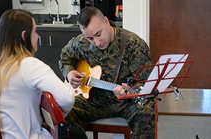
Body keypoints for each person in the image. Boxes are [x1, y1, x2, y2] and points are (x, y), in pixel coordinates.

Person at [0, 9, 75, 139]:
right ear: (24, 35)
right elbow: (67, 99)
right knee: (75, 133)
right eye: (34, 31)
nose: (38, 36)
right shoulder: (29, 65)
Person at [59, 7, 155, 139]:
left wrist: (129, 91)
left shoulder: (134, 45)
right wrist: (69, 72)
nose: (97, 42)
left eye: (99, 34)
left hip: (127, 103)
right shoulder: (81, 43)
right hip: (95, 101)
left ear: (106, 21)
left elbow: (146, 83)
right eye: (90, 38)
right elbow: (65, 57)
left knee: (145, 112)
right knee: (64, 111)